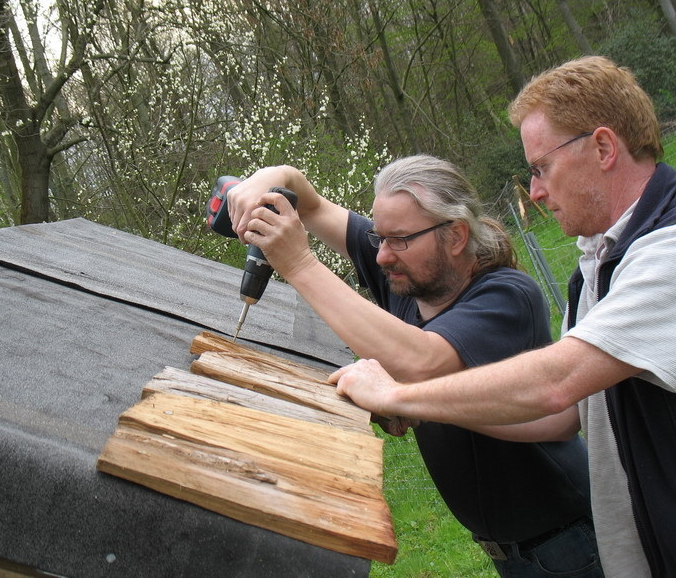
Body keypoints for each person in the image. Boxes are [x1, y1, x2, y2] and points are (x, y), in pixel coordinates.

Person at [329, 56, 676, 578]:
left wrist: (395, 394)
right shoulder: (599, 265)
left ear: (602, 147)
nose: (536, 191)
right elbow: (561, 414)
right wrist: (434, 407)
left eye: (541, 168)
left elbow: (556, 382)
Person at [227, 155, 603, 577]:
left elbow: (423, 362)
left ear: (456, 235)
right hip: (513, 551)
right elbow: (311, 206)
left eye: (399, 240)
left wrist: (298, 264)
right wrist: (270, 179)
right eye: (379, 237)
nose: (383, 256)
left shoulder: (506, 295)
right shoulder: (407, 276)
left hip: (568, 543)